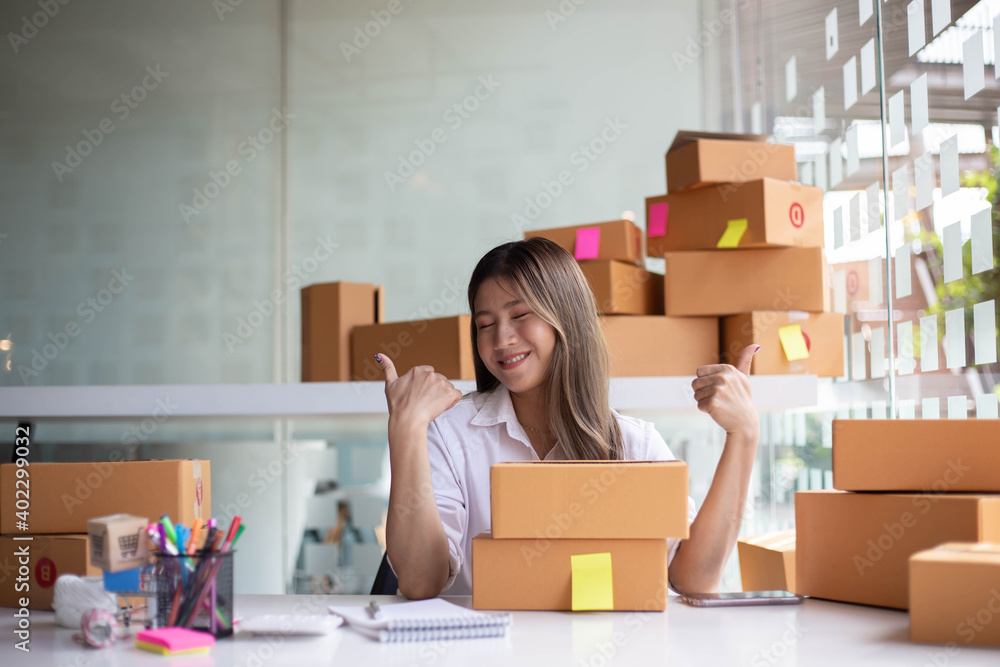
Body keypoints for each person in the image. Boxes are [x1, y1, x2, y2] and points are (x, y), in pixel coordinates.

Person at [378, 237, 760, 599]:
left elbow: (693, 579)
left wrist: (744, 435)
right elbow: (419, 580)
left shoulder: (633, 444)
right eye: (485, 324)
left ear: (567, 318)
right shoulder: (452, 434)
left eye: (520, 315)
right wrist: (406, 429)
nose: (502, 339)